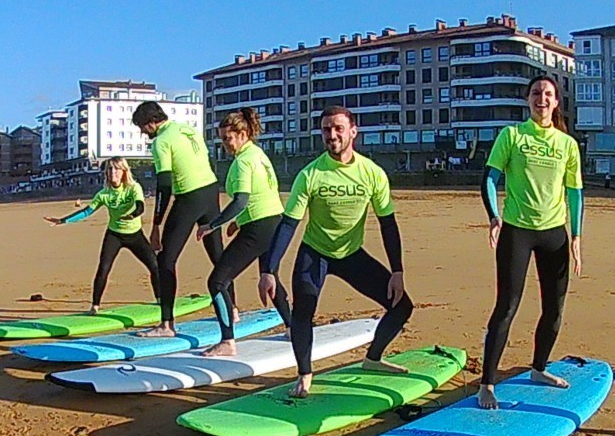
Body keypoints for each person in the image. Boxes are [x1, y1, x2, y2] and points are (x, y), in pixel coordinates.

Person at [259, 105, 413, 398]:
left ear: (353, 132)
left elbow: (388, 224)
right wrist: (269, 270)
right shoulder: (310, 175)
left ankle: (374, 358)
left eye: (338, 128)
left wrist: (397, 271)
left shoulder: (372, 173)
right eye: (327, 129)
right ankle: (305, 374)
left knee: (402, 306)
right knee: (303, 310)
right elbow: (289, 224)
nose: (332, 135)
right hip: (315, 253)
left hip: (351, 254)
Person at [478, 75, 583, 409]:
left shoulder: (567, 145)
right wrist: (494, 216)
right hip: (517, 231)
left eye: (548, 94)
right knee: (507, 306)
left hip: (555, 234)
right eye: (536, 93)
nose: (542, 98)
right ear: (528, 99)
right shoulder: (512, 136)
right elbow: (490, 179)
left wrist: (577, 235)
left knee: (554, 309)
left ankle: (539, 368)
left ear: (556, 102)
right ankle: (487, 384)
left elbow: (575, 193)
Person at [195, 108, 292, 356]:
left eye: (228, 138)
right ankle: (293, 327)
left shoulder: (242, 162)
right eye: (222, 139)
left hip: (259, 228)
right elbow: (261, 194)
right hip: (275, 223)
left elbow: (240, 201)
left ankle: (227, 341)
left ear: (243, 133)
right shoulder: (258, 155)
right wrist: (239, 222)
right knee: (270, 278)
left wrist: (211, 225)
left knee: (217, 282)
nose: (225, 144)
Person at [131, 101, 233, 337]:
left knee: (166, 259)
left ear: (150, 123)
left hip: (189, 197)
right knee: (218, 254)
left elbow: (164, 186)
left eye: (142, 128)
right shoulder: (187, 129)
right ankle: (234, 308)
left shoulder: (161, 142)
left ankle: (167, 324)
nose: (143, 133)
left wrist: (156, 225)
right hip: (210, 191)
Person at [44, 157, 158, 314]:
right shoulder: (104, 194)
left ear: (124, 172)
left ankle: (159, 300)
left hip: (135, 235)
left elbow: (140, 206)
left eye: (117, 169)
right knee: (103, 269)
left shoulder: (133, 188)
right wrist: (63, 220)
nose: (113, 173)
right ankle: (95, 306)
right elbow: (86, 211)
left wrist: (133, 215)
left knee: (154, 266)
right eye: (110, 169)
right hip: (114, 235)